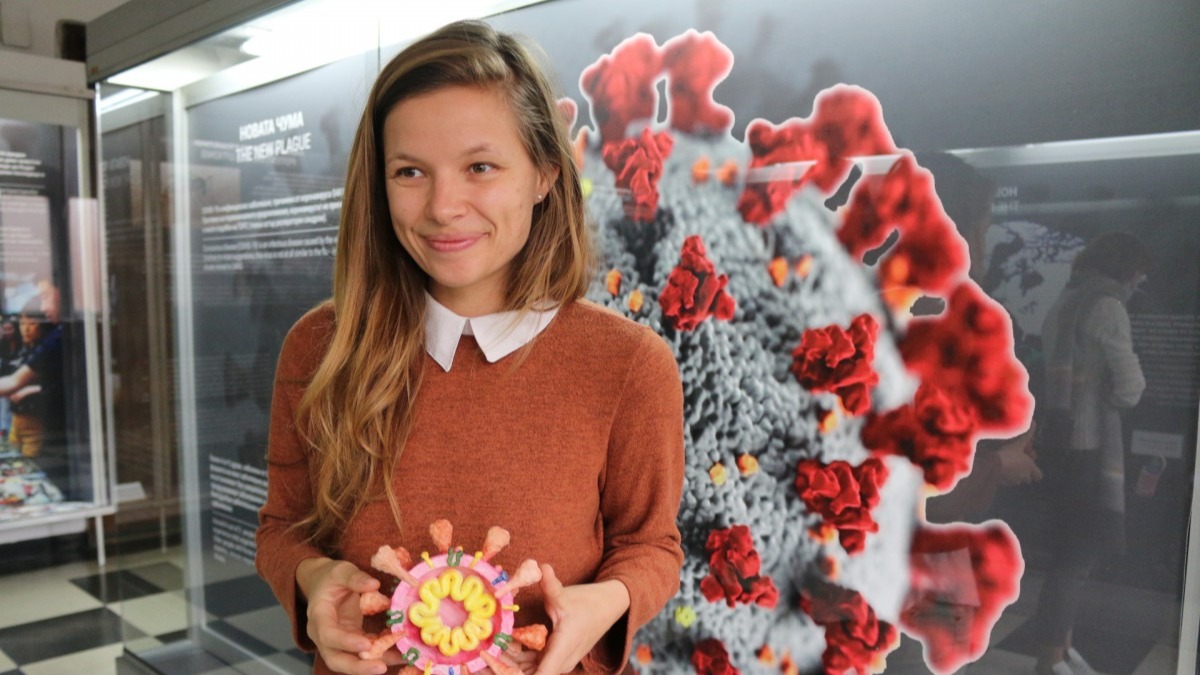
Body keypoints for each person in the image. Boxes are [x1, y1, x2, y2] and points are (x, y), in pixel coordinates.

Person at [255, 20, 686, 675]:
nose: (443, 206)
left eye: (480, 167)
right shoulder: (321, 346)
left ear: (544, 173)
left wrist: (604, 601)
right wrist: (312, 579)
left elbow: (650, 544)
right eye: (410, 172)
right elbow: (282, 527)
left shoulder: (628, 364)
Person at [1031, 231, 1150, 675]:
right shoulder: (1109, 307)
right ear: (1125, 269)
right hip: (1092, 450)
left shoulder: (1064, 302)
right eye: (1139, 271)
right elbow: (1131, 388)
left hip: (1058, 445)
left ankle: (1060, 651)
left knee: (1065, 556)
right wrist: (1110, 401)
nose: (1141, 280)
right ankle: (1050, 660)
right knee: (1075, 562)